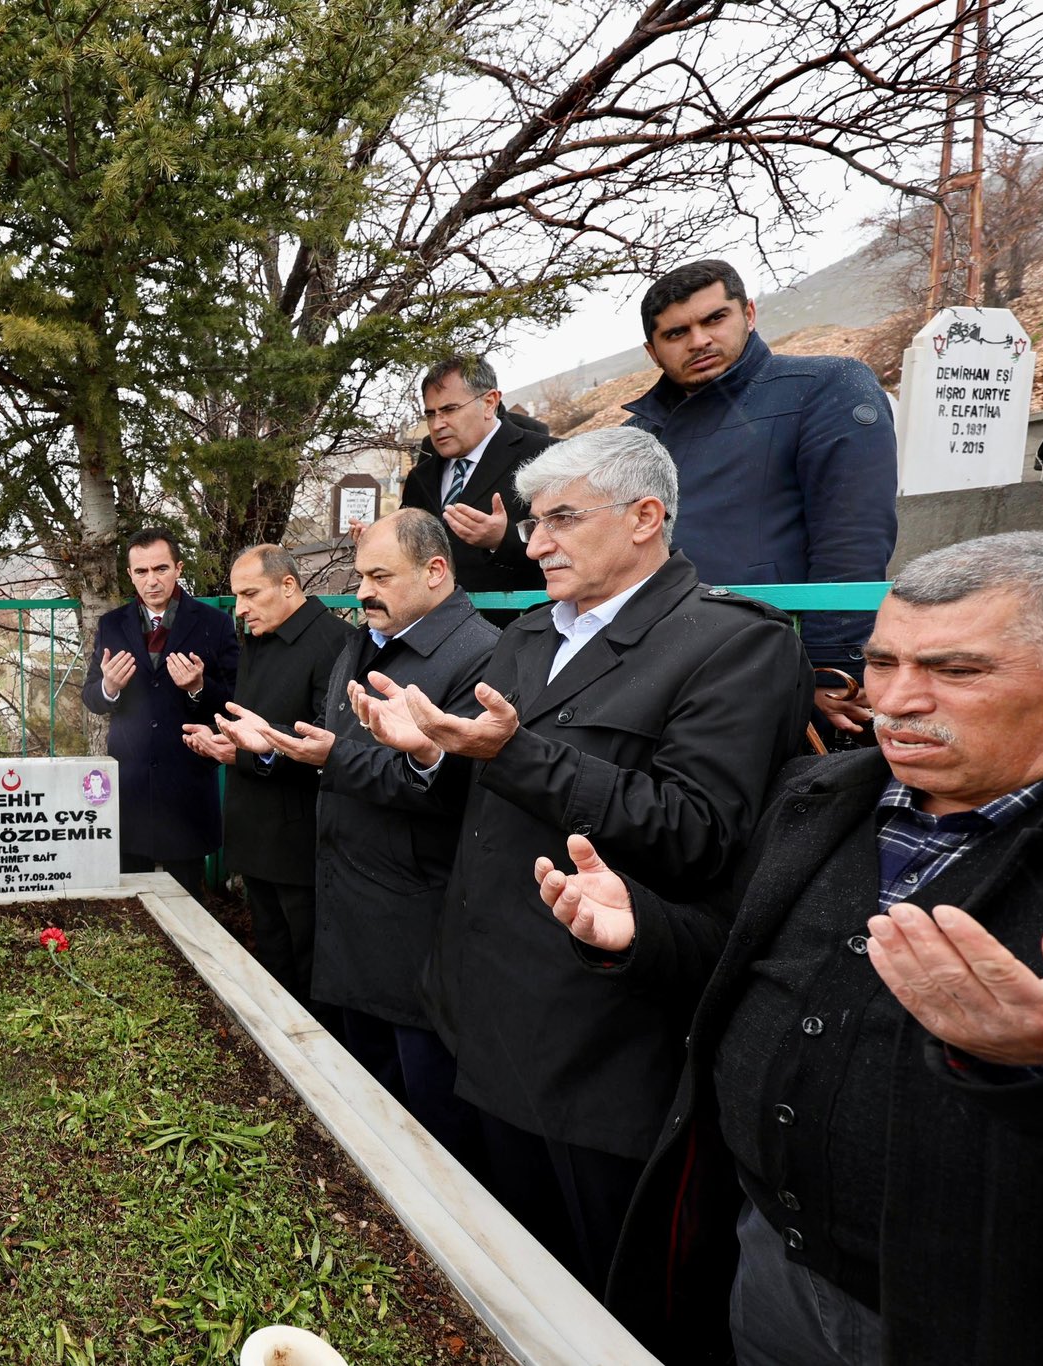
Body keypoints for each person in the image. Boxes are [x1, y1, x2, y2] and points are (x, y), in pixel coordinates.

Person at [534, 532, 1043, 1366]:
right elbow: (741, 965)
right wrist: (643, 930)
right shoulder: (820, 798)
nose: (898, 700)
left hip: (974, 1316)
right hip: (764, 1262)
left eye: (956, 672)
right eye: (882, 663)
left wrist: (1042, 1072)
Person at [353, 427, 812, 1294]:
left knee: (596, 1292)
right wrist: (429, 753)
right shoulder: (527, 633)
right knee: (493, 1271)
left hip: (594, 1049)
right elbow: (484, 803)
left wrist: (512, 753)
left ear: (646, 517)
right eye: (533, 519)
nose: (536, 542)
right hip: (476, 1013)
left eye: (562, 517)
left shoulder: (733, 645)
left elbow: (699, 829)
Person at [278, 510, 501, 1168]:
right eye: (358, 576)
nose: (362, 591)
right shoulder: (367, 639)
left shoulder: (480, 655)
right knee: (365, 1089)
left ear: (436, 572)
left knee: (427, 1109)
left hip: (413, 916)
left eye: (379, 576)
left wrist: (332, 760)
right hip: (350, 897)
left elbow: (449, 783)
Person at [622, 259, 897, 741]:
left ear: (748, 312)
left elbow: (853, 537)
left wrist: (830, 668)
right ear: (653, 350)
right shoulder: (637, 435)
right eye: (676, 333)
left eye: (714, 319)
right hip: (663, 670)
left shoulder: (825, 386)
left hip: (777, 661)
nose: (699, 340)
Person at [178, 544, 352, 1008]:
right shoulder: (260, 637)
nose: (241, 609)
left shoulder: (333, 641)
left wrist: (244, 756)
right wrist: (223, 737)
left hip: (299, 840)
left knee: (309, 963)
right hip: (255, 830)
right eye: (237, 596)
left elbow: (325, 742)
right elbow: (252, 719)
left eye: (250, 594)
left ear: (289, 585)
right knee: (273, 959)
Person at [81, 528, 239, 898]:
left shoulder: (213, 623)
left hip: (186, 782)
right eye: (141, 572)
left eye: (161, 569)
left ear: (178, 567)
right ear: (131, 574)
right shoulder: (111, 624)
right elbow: (91, 697)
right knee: (129, 896)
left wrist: (200, 687)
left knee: (188, 898)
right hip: (130, 785)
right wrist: (110, 688)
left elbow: (235, 698)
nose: (152, 581)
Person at [398, 355, 559, 595]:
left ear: (489, 403)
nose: (437, 424)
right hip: (433, 624)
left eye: (449, 409)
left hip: (515, 624)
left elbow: (574, 544)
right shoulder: (421, 475)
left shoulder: (547, 456)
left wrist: (503, 539)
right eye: (431, 414)